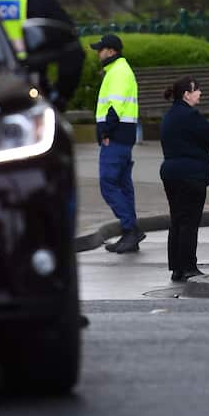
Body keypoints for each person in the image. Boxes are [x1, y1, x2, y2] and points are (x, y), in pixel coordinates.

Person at [159, 75, 209, 282]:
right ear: (186, 94)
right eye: (197, 90)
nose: (200, 93)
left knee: (177, 219)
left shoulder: (169, 115)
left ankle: (177, 267)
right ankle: (188, 266)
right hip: (191, 174)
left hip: (171, 172)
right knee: (189, 221)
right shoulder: (190, 115)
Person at [92, 33, 144, 254]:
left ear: (111, 51)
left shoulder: (119, 72)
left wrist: (105, 132)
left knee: (108, 183)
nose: (98, 53)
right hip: (122, 135)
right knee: (122, 184)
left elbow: (115, 107)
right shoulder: (118, 70)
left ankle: (130, 229)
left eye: (100, 49)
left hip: (115, 136)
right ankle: (130, 234)